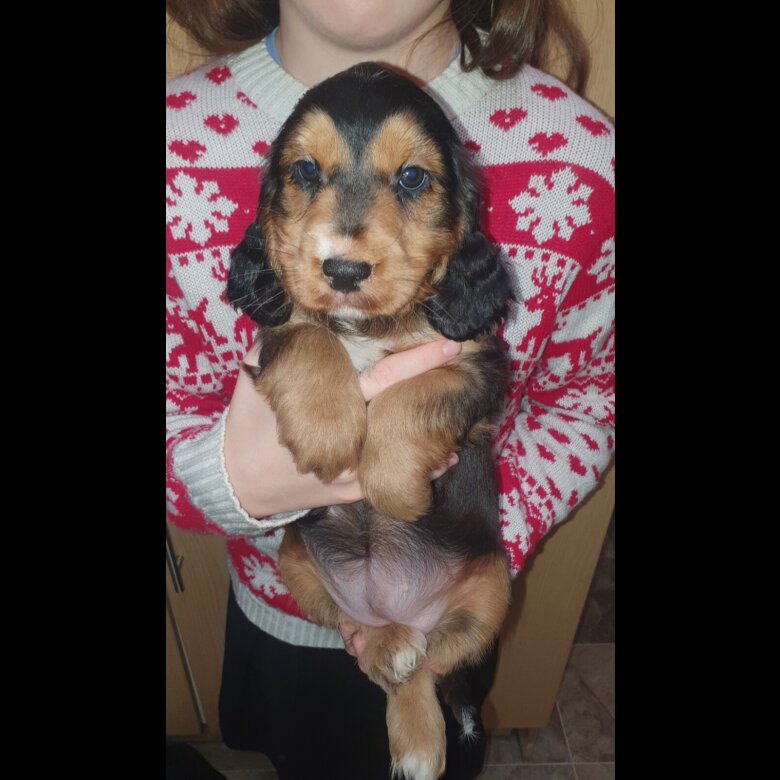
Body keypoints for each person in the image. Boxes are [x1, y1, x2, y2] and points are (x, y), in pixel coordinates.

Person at [165, 1, 614, 778]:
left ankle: (416, 696)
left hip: (454, 584)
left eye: (411, 179)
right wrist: (230, 481)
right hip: (291, 595)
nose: (346, 247)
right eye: (306, 175)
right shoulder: (177, 145)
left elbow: (587, 401)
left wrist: (483, 549)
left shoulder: (584, 158)